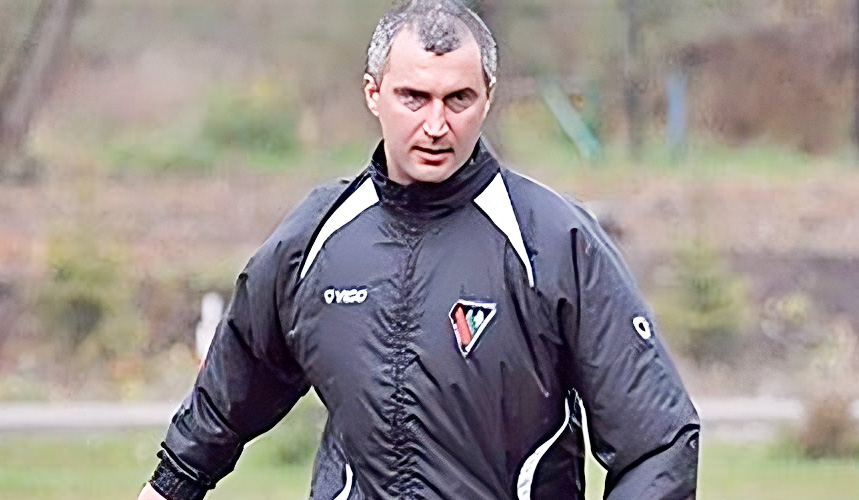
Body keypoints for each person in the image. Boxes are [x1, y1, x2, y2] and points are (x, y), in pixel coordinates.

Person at [138, 1, 699, 499]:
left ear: (488, 97)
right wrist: (171, 484)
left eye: (458, 99)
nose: (436, 125)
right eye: (414, 97)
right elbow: (237, 380)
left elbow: (659, 444)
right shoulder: (316, 237)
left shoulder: (553, 241)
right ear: (373, 93)